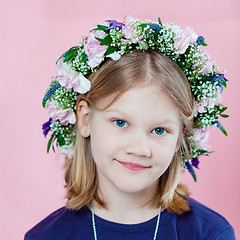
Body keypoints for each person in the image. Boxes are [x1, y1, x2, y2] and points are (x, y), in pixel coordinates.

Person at [24, 16, 236, 239]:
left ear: (180, 137)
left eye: (159, 130)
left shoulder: (211, 234)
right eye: (121, 123)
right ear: (85, 119)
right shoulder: (45, 236)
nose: (139, 148)